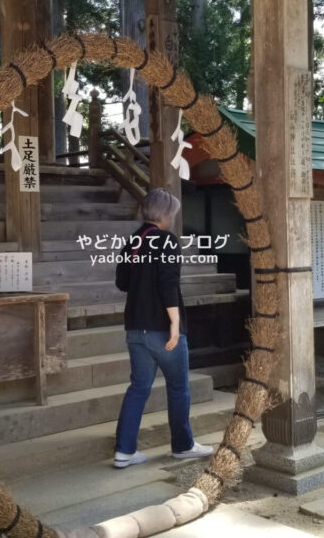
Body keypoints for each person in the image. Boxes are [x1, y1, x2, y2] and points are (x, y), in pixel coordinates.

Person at [112, 188, 213, 468]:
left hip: (135, 328)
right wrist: (175, 324)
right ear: (165, 213)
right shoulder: (166, 241)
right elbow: (168, 284)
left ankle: (124, 451)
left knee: (138, 388)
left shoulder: (133, 241)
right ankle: (183, 445)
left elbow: (122, 283)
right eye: (172, 213)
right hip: (161, 328)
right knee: (178, 387)